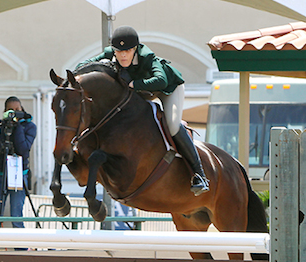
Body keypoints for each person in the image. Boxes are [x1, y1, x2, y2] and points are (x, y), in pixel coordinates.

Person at [77, 25, 209, 196]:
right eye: (119, 51)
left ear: (136, 49)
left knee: (173, 124)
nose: (123, 55)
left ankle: (199, 175)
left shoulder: (147, 57)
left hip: (167, 89)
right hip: (143, 92)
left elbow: (160, 80)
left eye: (128, 51)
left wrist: (134, 84)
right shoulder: (110, 54)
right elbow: (82, 65)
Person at [0, 96, 37, 234]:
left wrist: (17, 126)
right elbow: (1, 152)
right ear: (5, 111)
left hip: (18, 175)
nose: (15, 112)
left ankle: (21, 251)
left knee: (16, 216)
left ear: (22, 109)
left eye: (17, 109)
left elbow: (23, 149)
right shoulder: (4, 126)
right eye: (11, 110)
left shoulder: (29, 126)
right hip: (1, 174)